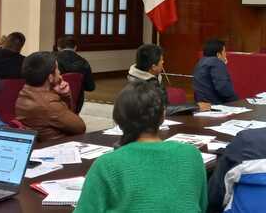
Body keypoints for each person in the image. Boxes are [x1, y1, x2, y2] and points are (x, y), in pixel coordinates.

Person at [74, 81, 207, 213]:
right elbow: (202, 205)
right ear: (163, 116)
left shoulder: (106, 165)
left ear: (118, 120)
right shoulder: (191, 155)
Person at [15, 52, 86, 142]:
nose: (60, 73)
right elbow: (80, 127)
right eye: (57, 69)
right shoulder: (48, 105)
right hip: (58, 147)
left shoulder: (25, 92)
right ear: (50, 77)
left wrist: (63, 96)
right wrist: (65, 96)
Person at [128, 44, 209, 115]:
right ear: (153, 67)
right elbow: (161, 110)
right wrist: (195, 107)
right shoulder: (141, 86)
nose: (163, 62)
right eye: (161, 60)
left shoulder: (153, 77)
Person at [55, 36, 95, 113]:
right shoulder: (83, 62)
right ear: (75, 47)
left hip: (56, 100)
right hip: (76, 103)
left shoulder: (52, 60)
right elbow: (90, 87)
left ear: (58, 48)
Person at [192, 39, 237, 104]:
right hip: (215, 105)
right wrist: (237, 101)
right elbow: (223, 88)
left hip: (201, 106)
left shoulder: (200, 62)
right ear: (218, 54)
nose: (225, 55)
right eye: (224, 52)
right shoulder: (217, 63)